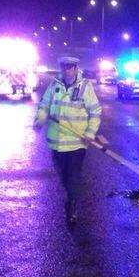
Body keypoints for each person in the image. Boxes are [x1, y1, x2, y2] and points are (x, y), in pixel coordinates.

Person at [34, 56, 102, 225]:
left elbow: (95, 112)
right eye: (63, 66)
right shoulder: (54, 85)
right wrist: (40, 119)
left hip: (76, 144)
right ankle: (71, 196)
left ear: (76, 68)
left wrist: (90, 133)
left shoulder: (85, 87)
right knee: (64, 176)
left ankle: (72, 206)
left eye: (70, 67)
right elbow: (44, 105)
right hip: (56, 143)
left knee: (73, 176)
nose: (66, 70)